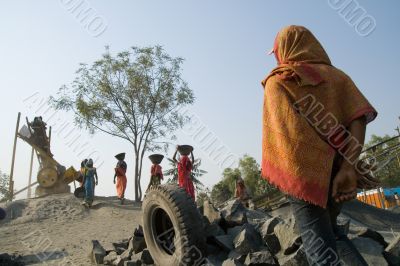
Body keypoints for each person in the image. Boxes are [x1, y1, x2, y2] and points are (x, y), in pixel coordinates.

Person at [261, 25, 377, 265]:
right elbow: (358, 117)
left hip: (305, 179)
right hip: (341, 176)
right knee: (332, 232)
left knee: (319, 250)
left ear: (284, 50)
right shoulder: (338, 77)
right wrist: (347, 167)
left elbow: (287, 139)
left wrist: (314, 170)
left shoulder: (279, 82)